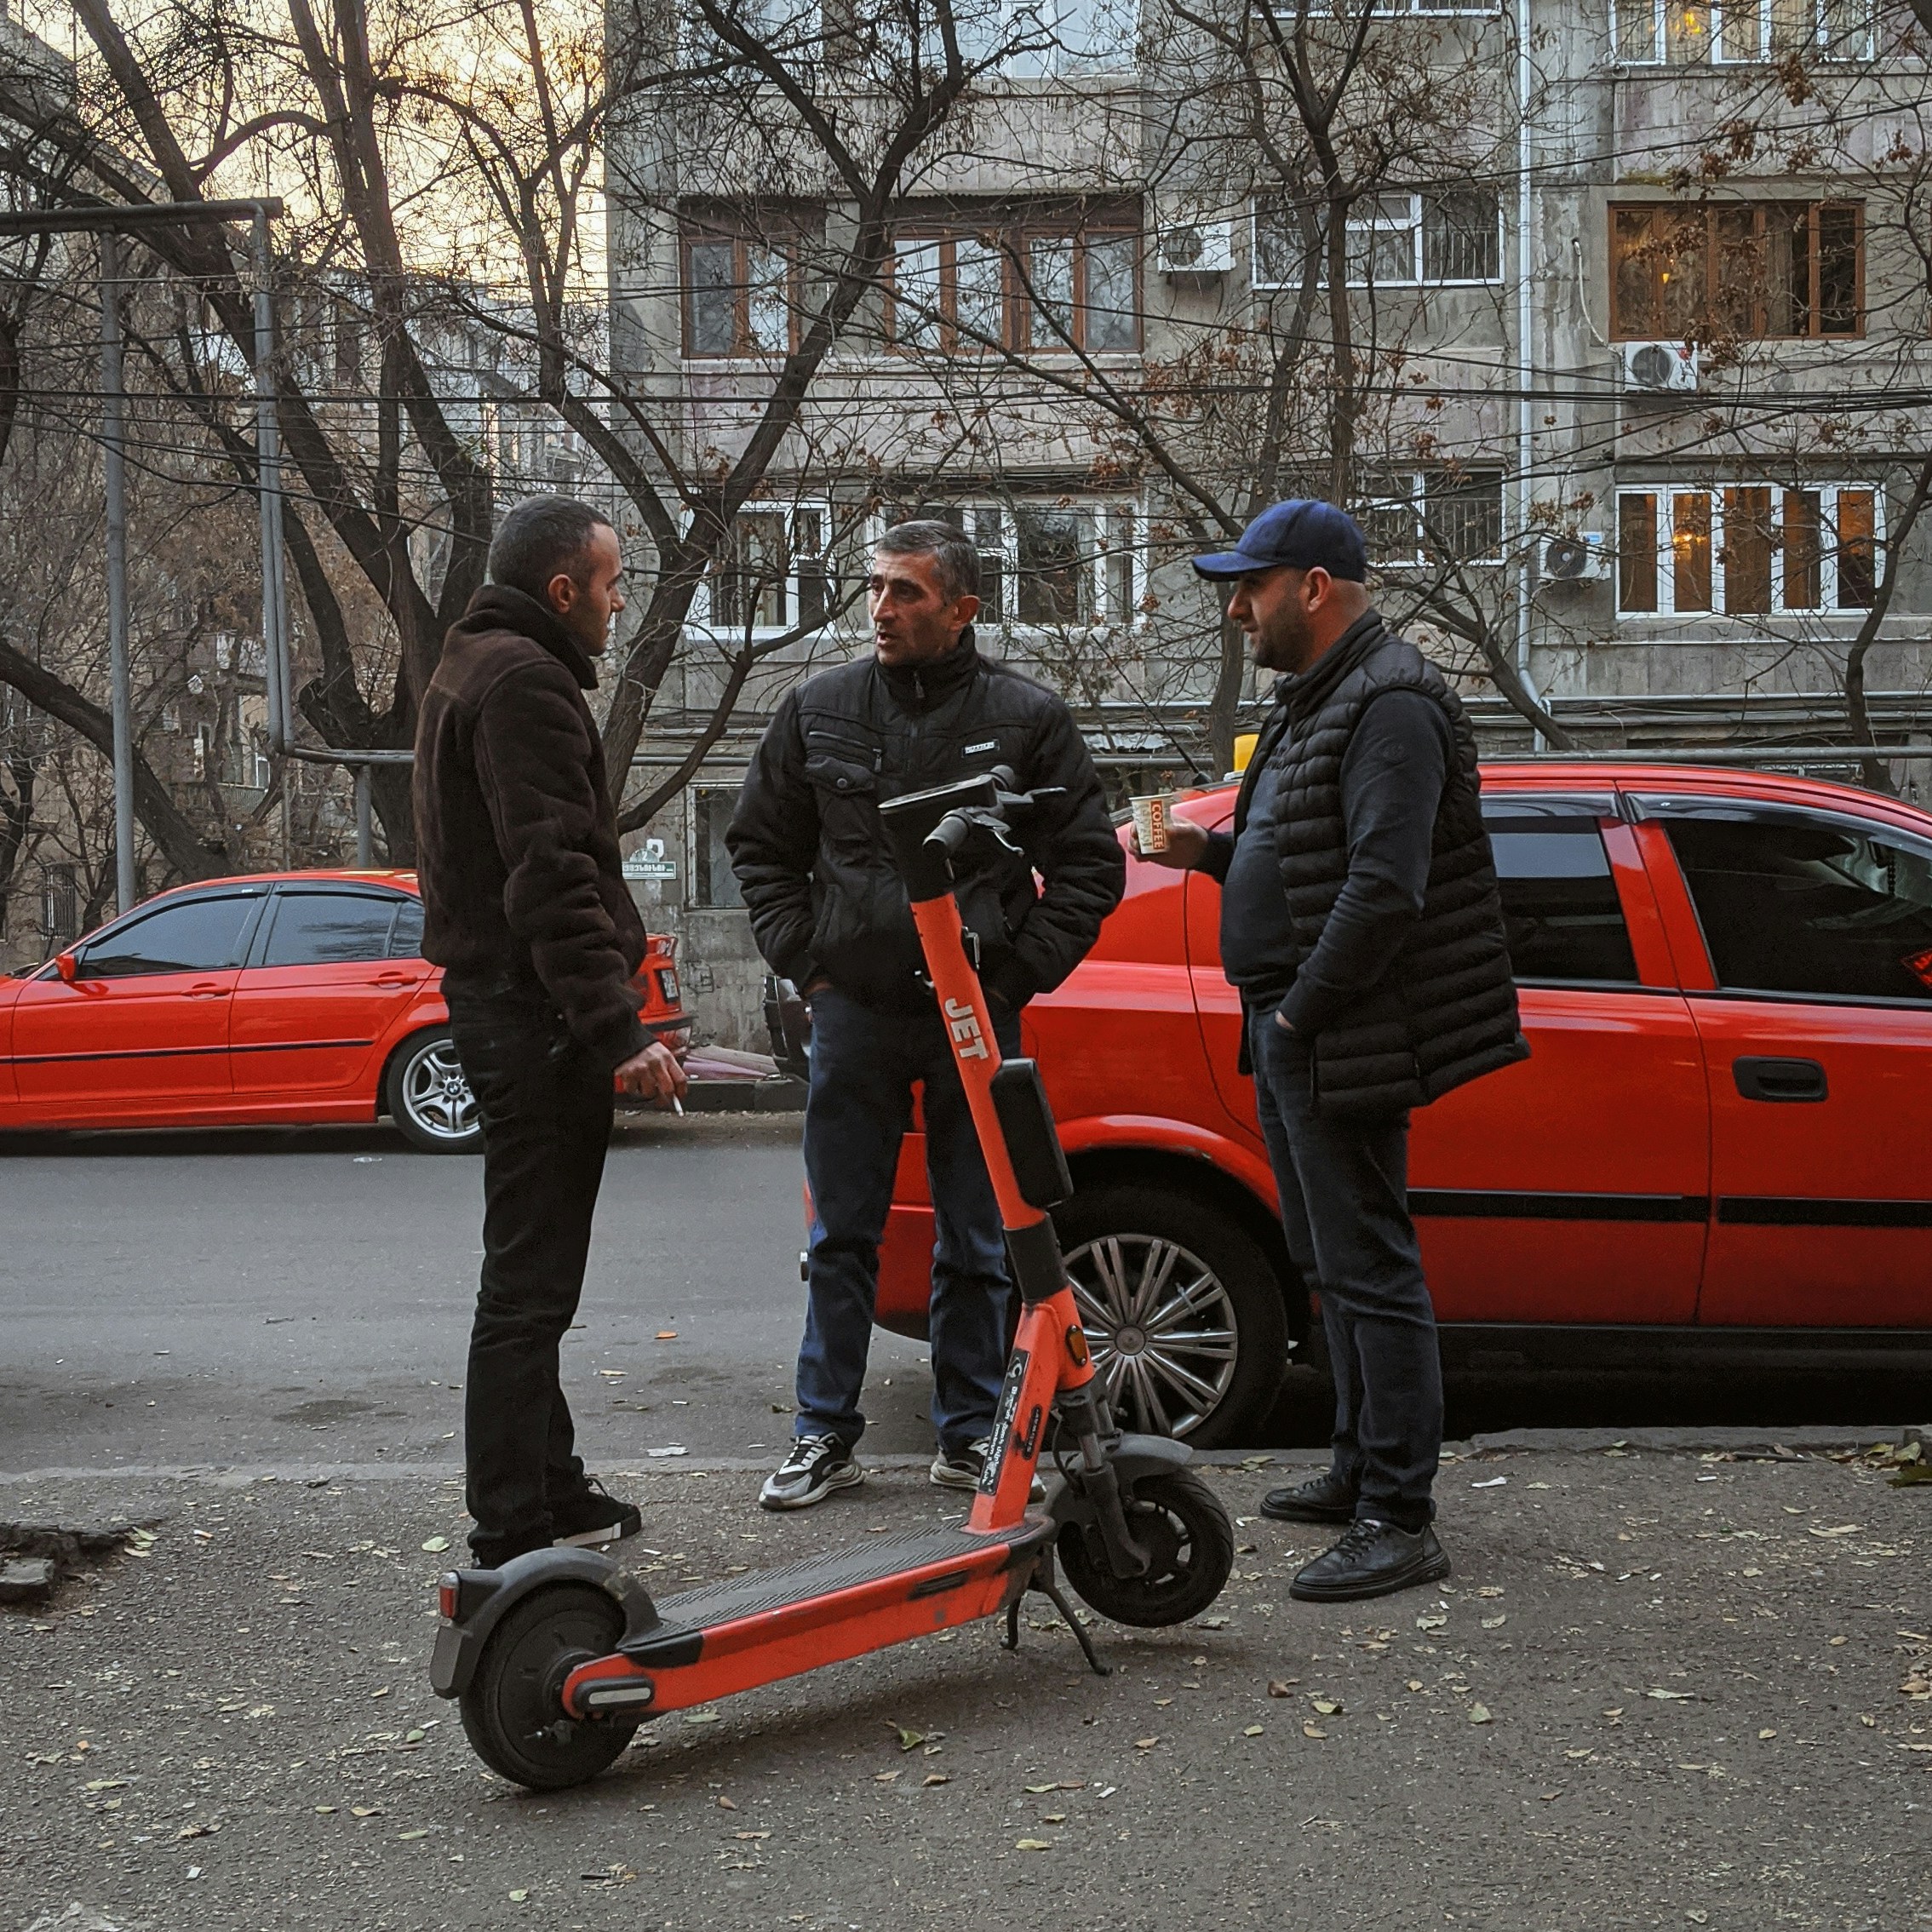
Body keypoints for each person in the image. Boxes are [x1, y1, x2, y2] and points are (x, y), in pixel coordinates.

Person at [1138, 499, 1526, 1602]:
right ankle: (1360, 1467)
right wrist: (1207, 851)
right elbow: (1300, 852)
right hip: (1294, 1019)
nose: (1234, 607)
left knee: (1370, 1266)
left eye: (1250, 586)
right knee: (1327, 1263)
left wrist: (1301, 1013)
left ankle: (1399, 1515)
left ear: (1313, 586)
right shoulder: (1323, 696)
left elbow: (1384, 886)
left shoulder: (1392, 703)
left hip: (1335, 1025)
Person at [729, 519, 1125, 1510]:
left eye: (905, 592)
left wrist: (1012, 978)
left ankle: (965, 1434)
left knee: (981, 1236)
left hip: (975, 1016)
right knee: (842, 1237)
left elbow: (1088, 865)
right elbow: (759, 847)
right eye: (873, 588)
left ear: (962, 608)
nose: (881, 609)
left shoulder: (1026, 717)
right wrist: (808, 964)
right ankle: (823, 1431)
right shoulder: (816, 708)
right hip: (854, 1011)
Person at [414, 495, 688, 1568]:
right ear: (562, 590)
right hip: (531, 1021)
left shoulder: (474, 660)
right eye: (613, 584)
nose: (621, 603)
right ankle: (512, 1529)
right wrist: (619, 1033)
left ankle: (551, 1487)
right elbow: (549, 876)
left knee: (535, 1275)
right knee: (527, 1287)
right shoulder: (526, 683)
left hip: (503, 1007)